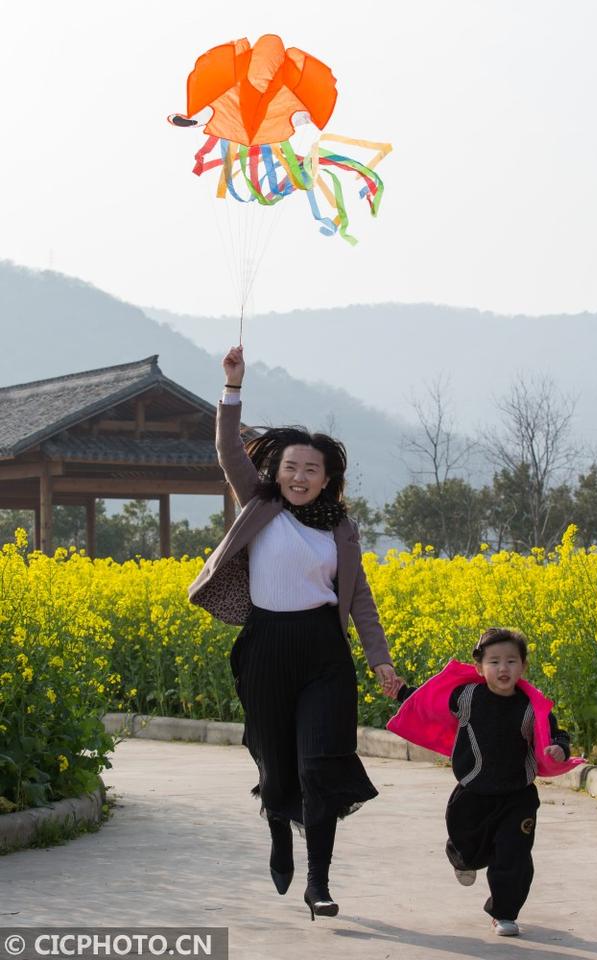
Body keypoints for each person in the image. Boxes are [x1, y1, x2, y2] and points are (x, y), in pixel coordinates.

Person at [188, 345, 398, 921]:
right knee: (276, 764)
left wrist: (379, 659)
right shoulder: (259, 506)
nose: (300, 477)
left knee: (319, 764)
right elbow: (230, 449)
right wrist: (232, 388)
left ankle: (319, 883)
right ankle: (279, 824)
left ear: (328, 478)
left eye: (312, 469)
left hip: (323, 653)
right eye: (290, 467)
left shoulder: (342, 529)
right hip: (265, 647)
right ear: (275, 473)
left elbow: (358, 598)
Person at [388, 627, 580, 938]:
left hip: (518, 795)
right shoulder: (466, 697)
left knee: (514, 855)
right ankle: (461, 856)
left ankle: (504, 912)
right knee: (468, 847)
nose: (503, 669)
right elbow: (427, 701)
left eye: (511, 661)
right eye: (494, 662)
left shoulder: (532, 706)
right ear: (479, 668)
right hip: (473, 791)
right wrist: (400, 691)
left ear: (523, 666)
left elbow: (557, 734)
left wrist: (560, 749)